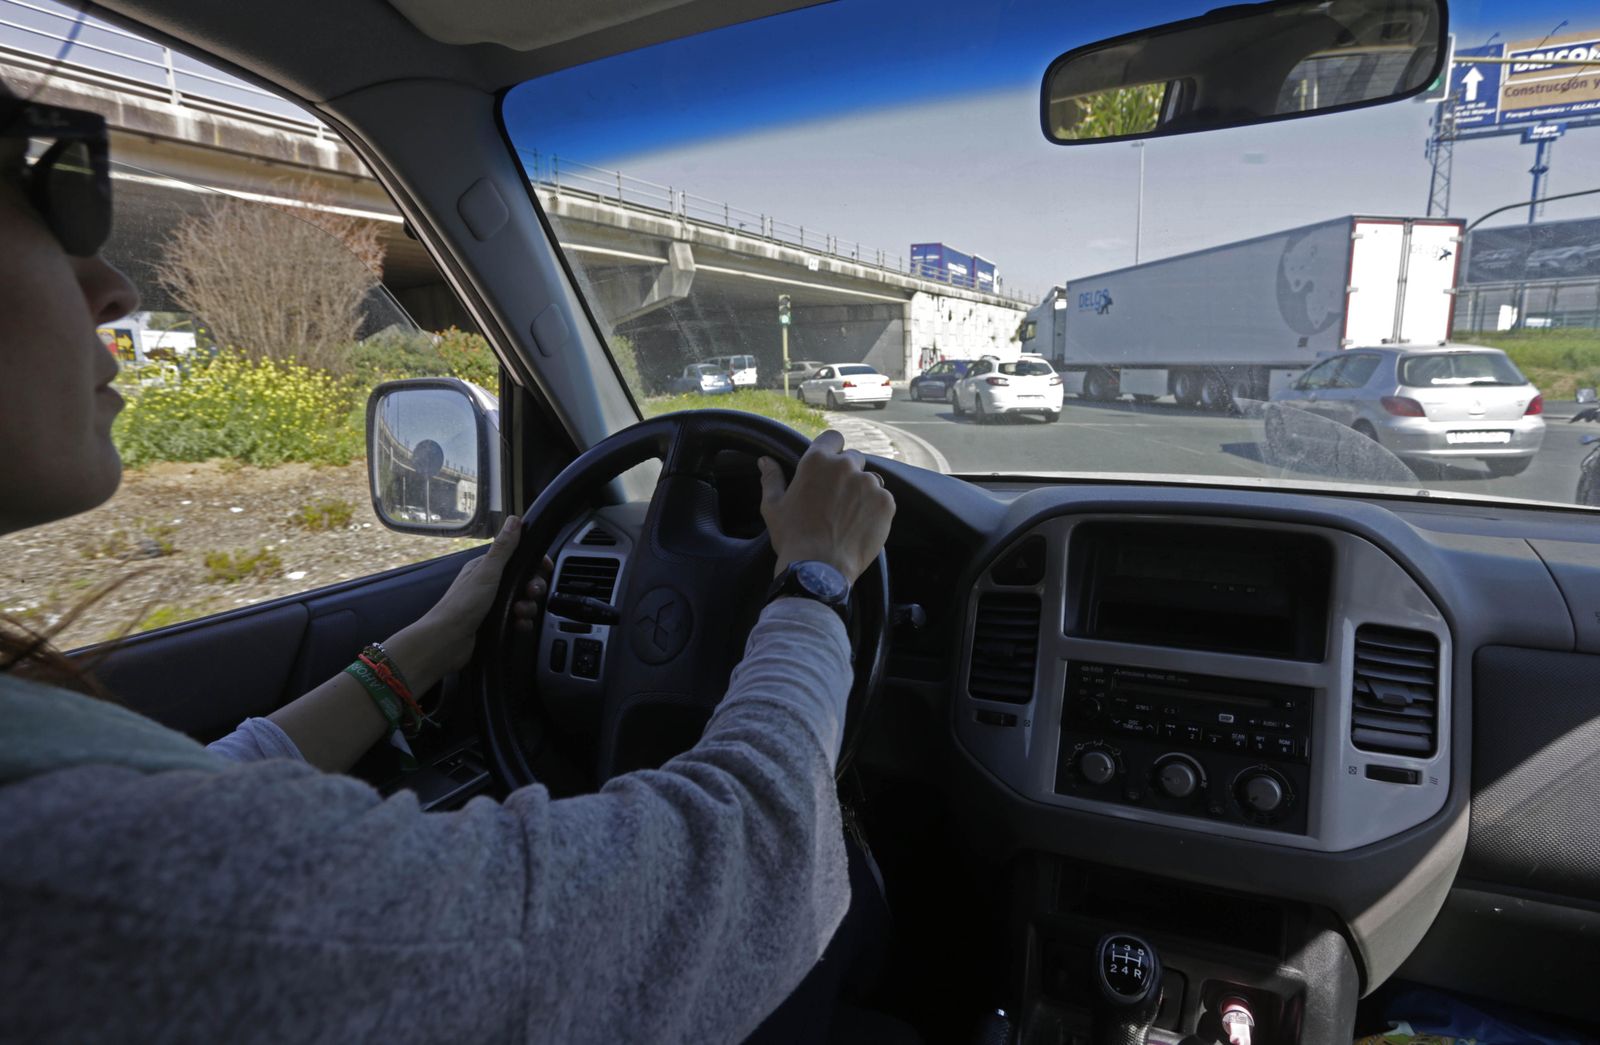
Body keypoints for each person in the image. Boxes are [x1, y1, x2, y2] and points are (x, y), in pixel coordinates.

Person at [0, 83, 897, 1043]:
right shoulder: (77, 864)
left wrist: (426, 646)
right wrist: (813, 581)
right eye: (44, 210)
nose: (113, 287)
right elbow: (742, 866)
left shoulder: (76, 825)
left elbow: (205, 786)